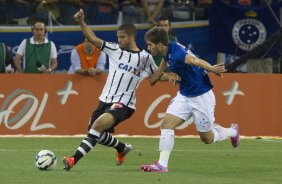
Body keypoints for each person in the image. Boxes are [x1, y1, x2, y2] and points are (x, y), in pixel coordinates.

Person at [62, 9, 173, 171]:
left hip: (124, 103)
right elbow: (93, 38)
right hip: (104, 100)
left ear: (131, 37)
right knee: (96, 134)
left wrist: (169, 76)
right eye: (118, 37)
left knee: (97, 126)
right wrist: (81, 22)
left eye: (122, 37)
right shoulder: (114, 49)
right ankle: (121, 148)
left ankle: (73, 159)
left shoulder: (144, 58)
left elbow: (156, 75)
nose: (119, 40)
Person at [140, 27, 240, 172]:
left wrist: (211, 68)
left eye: (150, 44)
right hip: (184, 94)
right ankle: (162, 165)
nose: (148, 47)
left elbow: (194, 60)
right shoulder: (168, 49)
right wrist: (158, 74)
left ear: (160, 44)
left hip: (200, 96)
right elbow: (165, 59)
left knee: (207, 139)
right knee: (166, 124)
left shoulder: (178, 54)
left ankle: (232, 132)